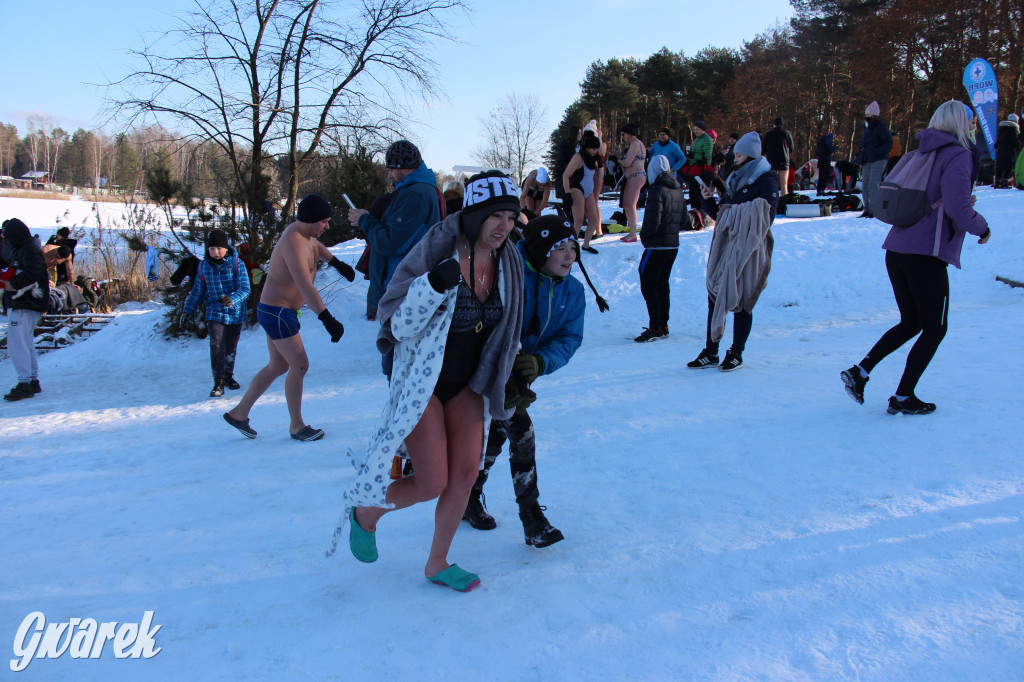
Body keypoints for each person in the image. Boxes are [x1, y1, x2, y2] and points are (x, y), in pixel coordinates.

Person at [338, 170, 525, 592]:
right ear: (474, 214)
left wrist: (516, 361)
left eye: (511, 217)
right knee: (431, 481)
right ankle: (365, 513)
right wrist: (434, 284)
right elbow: (397, 325)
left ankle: (437, 563)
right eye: (495, 216)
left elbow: (509, 323)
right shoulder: (438, 249)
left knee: (465, 475)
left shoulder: (508, 260)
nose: (504, 226)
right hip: (423, 382)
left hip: (468, 382)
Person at [462, 214, 606, 546]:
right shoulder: (509, 276)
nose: (569, 255)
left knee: (497, 433)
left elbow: (569, 338)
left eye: (573, 247)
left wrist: (540, 362)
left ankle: (469, 495)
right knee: (522, 433)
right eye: (560, 248)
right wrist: (503, 360)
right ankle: (532, 519)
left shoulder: (573, 292)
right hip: (486, 370)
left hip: (520, 376)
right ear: (541, 251)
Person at [841, 100, 991, 415]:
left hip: (897, 249)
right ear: (961, 123)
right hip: (924, 253)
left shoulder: (920, 152)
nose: (974, 126)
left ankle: (860, 371)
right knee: (935, 328)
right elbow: (958, 208)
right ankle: (903, 396)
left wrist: (960, 201)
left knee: (911, 322)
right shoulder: (959, 155)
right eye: (971, 121)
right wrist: (982, 227)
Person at [223, 193, 351, 441]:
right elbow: (304, 285)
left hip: (280, 311)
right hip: (277, 312)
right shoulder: (293, 241)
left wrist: (337, 263)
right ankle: (297, 426)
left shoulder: (306, 235)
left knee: (278, 365)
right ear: (310, 219)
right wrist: (327, 318)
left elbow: (317, 247)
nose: (327, 226)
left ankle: (239, 413)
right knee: (299, 365)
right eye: (324, 221)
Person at [687, 131, 779, 372]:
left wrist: (734, 212)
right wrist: (708, 200)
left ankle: (736, 352)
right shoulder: (735, 179)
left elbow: (767, 215)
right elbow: (722, 215)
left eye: (738, 155)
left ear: (750, 155)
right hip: (727, 244)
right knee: (715, 292)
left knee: (744, 298)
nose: (734, 158)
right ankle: (711, 351)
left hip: (750, 247)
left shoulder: (767, 180)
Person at [347, 140, 441, 330]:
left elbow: (391, 242)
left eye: (391, 169)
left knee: (396, 345)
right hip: (408, 286)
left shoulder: (416, 194)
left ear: (404, 167)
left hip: (403, 288)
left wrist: (364, 220)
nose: (389, 175)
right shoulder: (420, 190)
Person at [181, 229, 251, 397]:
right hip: (214, 311)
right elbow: (197, 291)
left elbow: (245, 289)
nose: (216, 252)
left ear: (226, 248)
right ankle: (218, 381)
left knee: (230, 346)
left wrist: (232, 299)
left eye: (219, 248)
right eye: (212, 248)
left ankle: (228, 376)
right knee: (216, 345)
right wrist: (188, 310)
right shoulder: (204, 266)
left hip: (234, 313)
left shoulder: (237, 264)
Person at [634, 155, 685, 342]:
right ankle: (663, 325)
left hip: (656, 246)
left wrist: (645, 237)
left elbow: (652, 221)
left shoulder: (656, 190)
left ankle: (655, 327)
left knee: (648, 284)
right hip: (672, 245)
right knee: (662, 284)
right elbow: (684, 219)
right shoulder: (677, 188)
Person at [1, 218, 49, 401]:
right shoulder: (23, 248)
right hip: (24, 302)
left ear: (15, 235)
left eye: (7, 236)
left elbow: (33, 272)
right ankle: (32, 380)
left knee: (16, 343)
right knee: (25, 342)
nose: (6, 240)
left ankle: (25, 383)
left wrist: (12, 284)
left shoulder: (29, 250)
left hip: (25, 302)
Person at [562, 133, 605, 253]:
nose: (595, 151)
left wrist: (600, 165)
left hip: (589, 192)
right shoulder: (578, 157)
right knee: (579, 220)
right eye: (593, 148)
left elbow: (600, 177)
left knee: (594, 220)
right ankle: (571, 248)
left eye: (596, 149)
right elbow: (566, 175)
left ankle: (586, 244)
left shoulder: (594, 159)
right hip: (577, 189)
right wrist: (567, 193)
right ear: (587, 147)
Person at [858, 101, 894, 218]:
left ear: (874, 115)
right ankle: (867, 209)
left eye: (869, 115)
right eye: (867, 115)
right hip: (867, 159)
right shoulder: (866, 128)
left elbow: (888, 143)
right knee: (865, 185)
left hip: (878, 159)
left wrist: (876, 152)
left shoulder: (881, 127)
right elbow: (865, 142)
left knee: (873, 185)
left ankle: (874, 210)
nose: (867, 117)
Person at [617, 123, 646, 243]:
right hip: (634, 177)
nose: (623, 137)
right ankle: (631, 232)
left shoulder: (635, 144)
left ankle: (633, 234)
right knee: (627, 204)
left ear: (629, 134)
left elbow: (627, 162)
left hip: (636, 176)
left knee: (631, 204)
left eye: (623, 134)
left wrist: (618, 161)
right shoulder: (638, 144)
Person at [554, 125, 582, 221]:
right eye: (578, 133)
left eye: (581, 133)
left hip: (577, 180)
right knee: (568, 204)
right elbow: (560, 163)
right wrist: (572, 168)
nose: (580, 135)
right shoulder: (566, 145)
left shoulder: (581, 146)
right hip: (566, 180)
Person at [763, 117, 794, 196]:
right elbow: (791, 148)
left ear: (774, 124)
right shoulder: (787, 133)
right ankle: (783, 200)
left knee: (772, 183)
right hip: (784, 161)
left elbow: (763, 147)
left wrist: (768, 153)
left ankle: (773, 198)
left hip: (772, 161)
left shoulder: (769, 134)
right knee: (784, 184)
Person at [995, 113, 1021, 188]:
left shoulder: (1002, 128)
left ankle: (997, 183)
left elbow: (999, 140)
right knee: (1009, 167)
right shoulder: (1013, 128)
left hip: (1001, 150)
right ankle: (1004, 182)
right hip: (1010, 150)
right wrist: (1019, 145)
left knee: (1000, 167)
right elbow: (1014, 140)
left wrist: (996, 145)